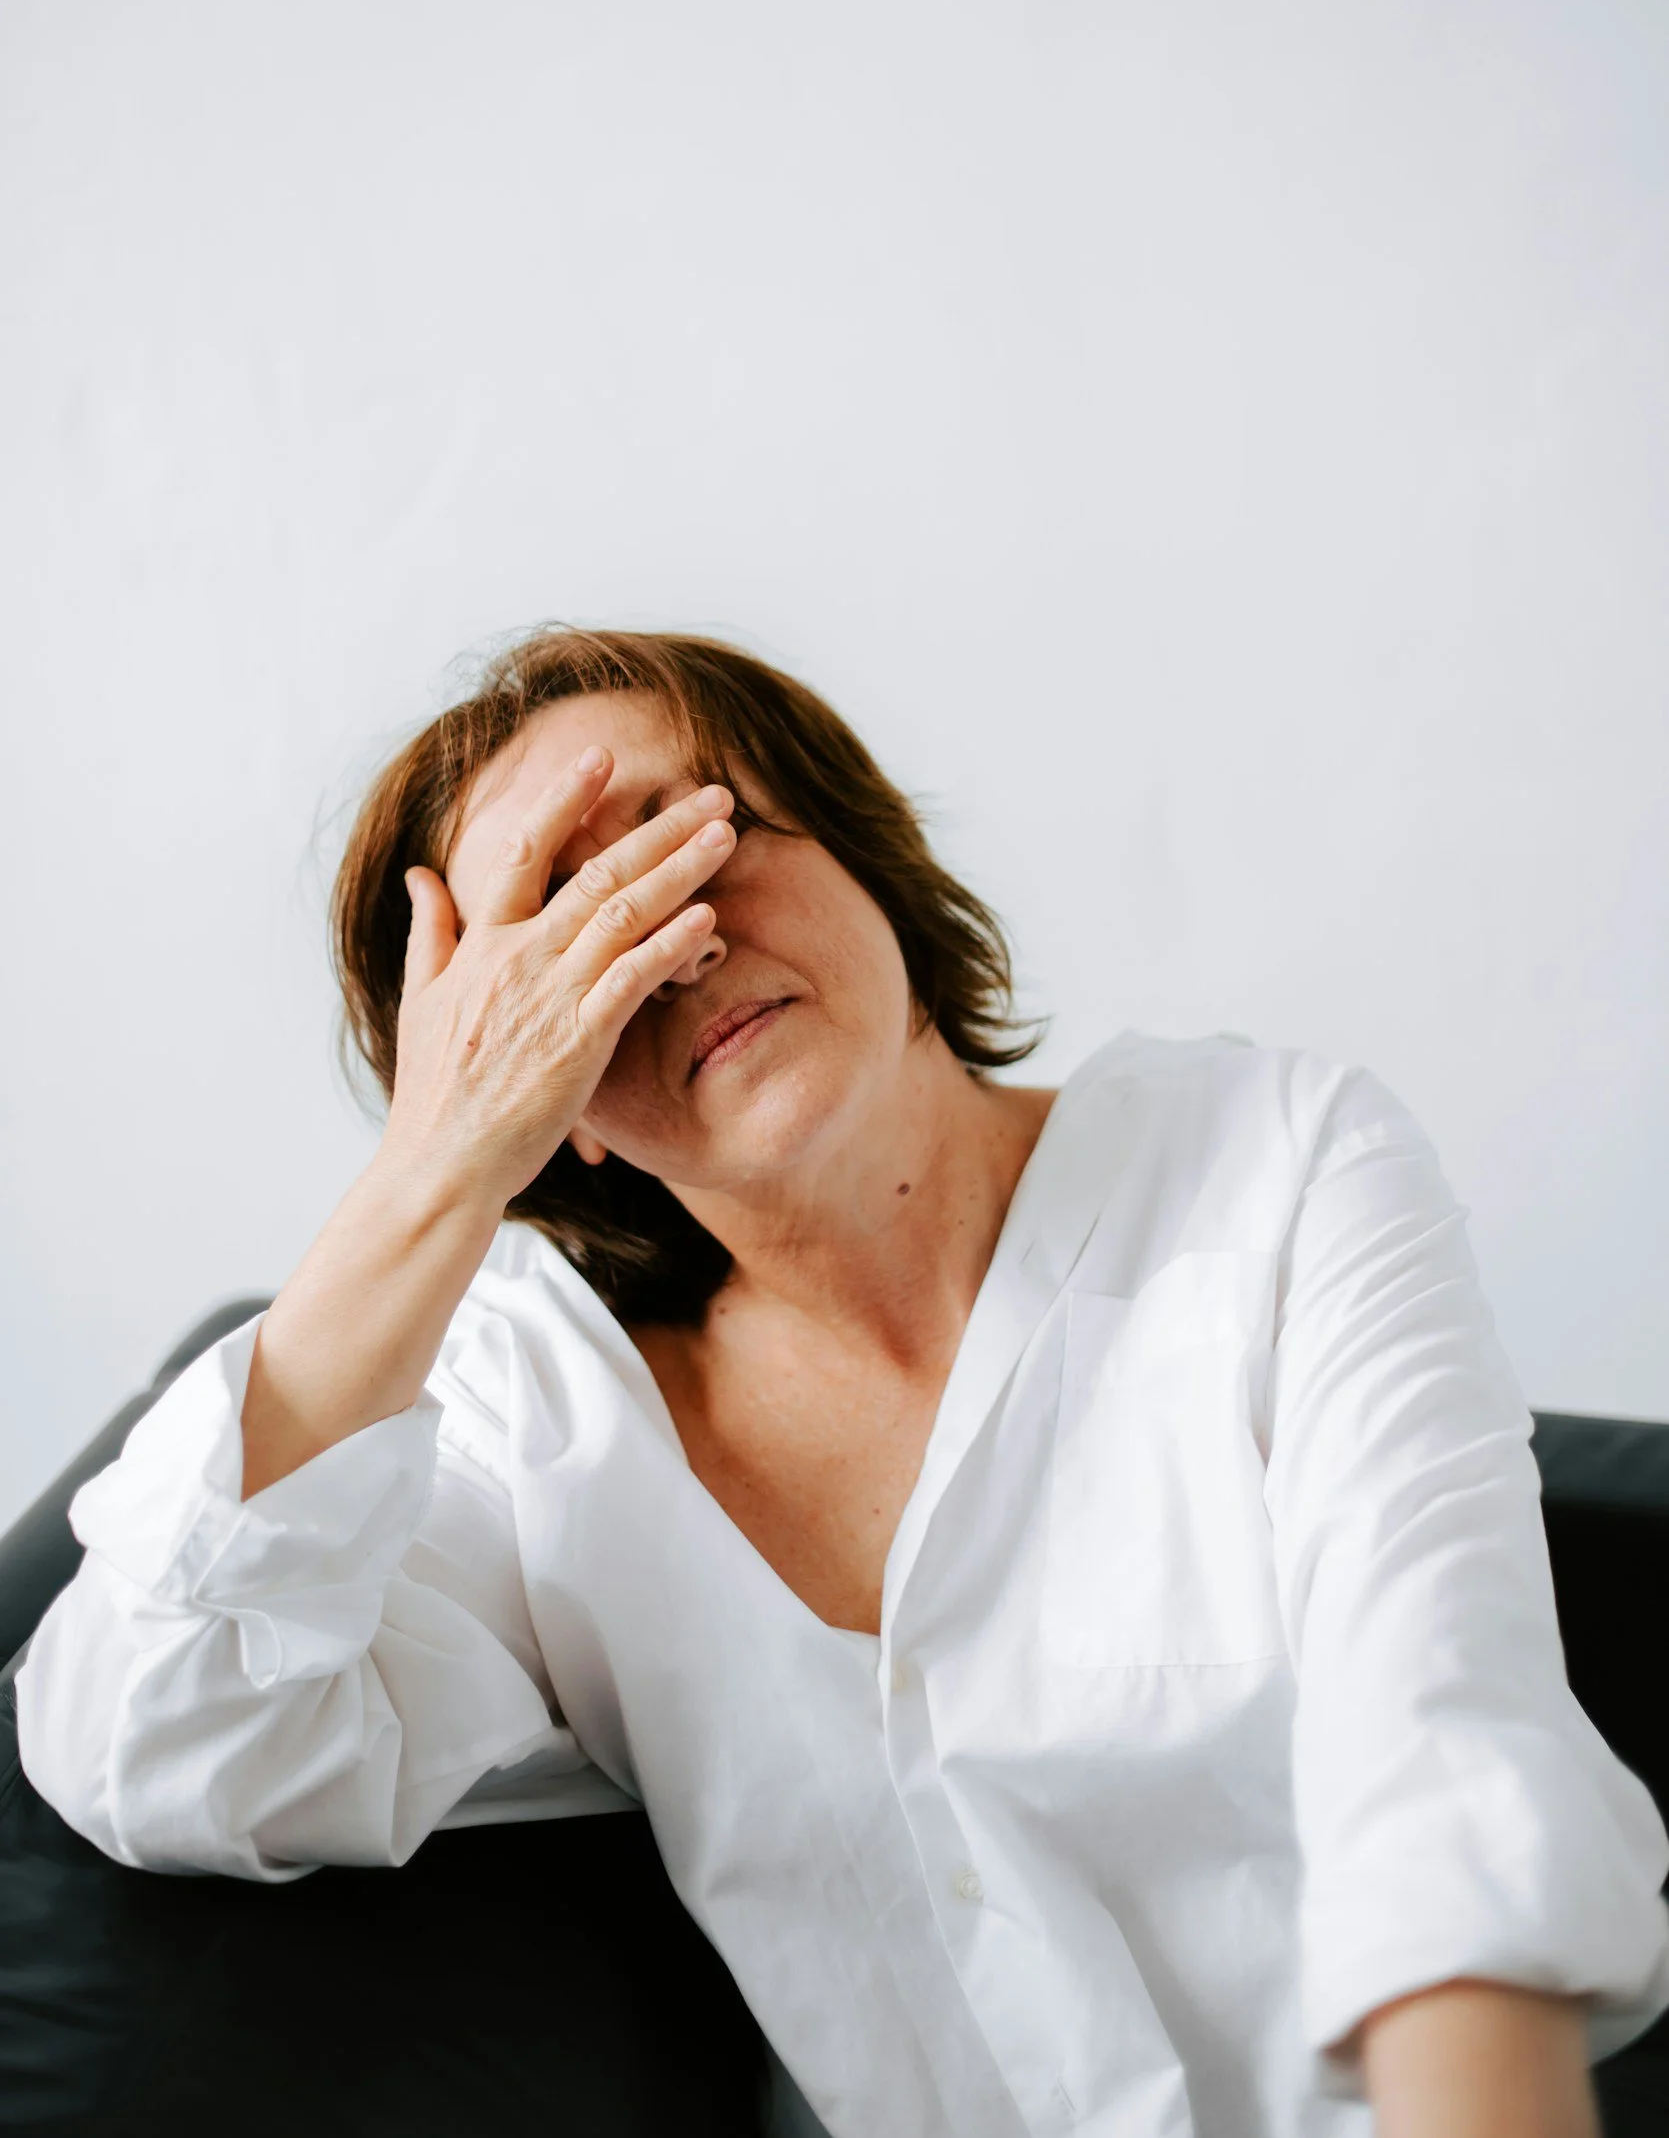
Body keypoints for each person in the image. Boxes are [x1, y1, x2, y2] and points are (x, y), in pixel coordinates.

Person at [17, 625, 1669, 2138]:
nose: (666, 951)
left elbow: (1446, 1751)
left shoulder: (1275, 1167)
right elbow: (154, 1737)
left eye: (689, 839)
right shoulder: (542, 1421)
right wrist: (434, 1171)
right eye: (563, 942)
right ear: (542, 1096)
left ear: (856, 845)